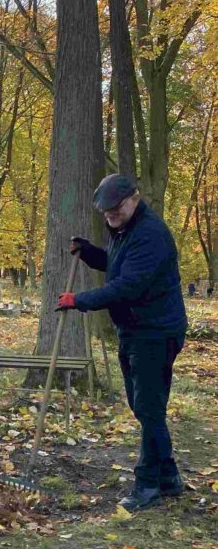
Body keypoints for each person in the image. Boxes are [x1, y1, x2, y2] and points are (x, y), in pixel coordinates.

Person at [59, 174, 187, 511]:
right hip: (135, 330)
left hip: (156, 332)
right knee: (144, 407)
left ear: (134, 198)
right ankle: (169, 477)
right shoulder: (123, 230)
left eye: (115, 210)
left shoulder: (150, 235)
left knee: (148, 407)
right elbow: (117, 266)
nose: (110, 217)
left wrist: (79, 300)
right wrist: (90, 254)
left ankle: (147, 486)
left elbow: (127, 286)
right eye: (106, 213)